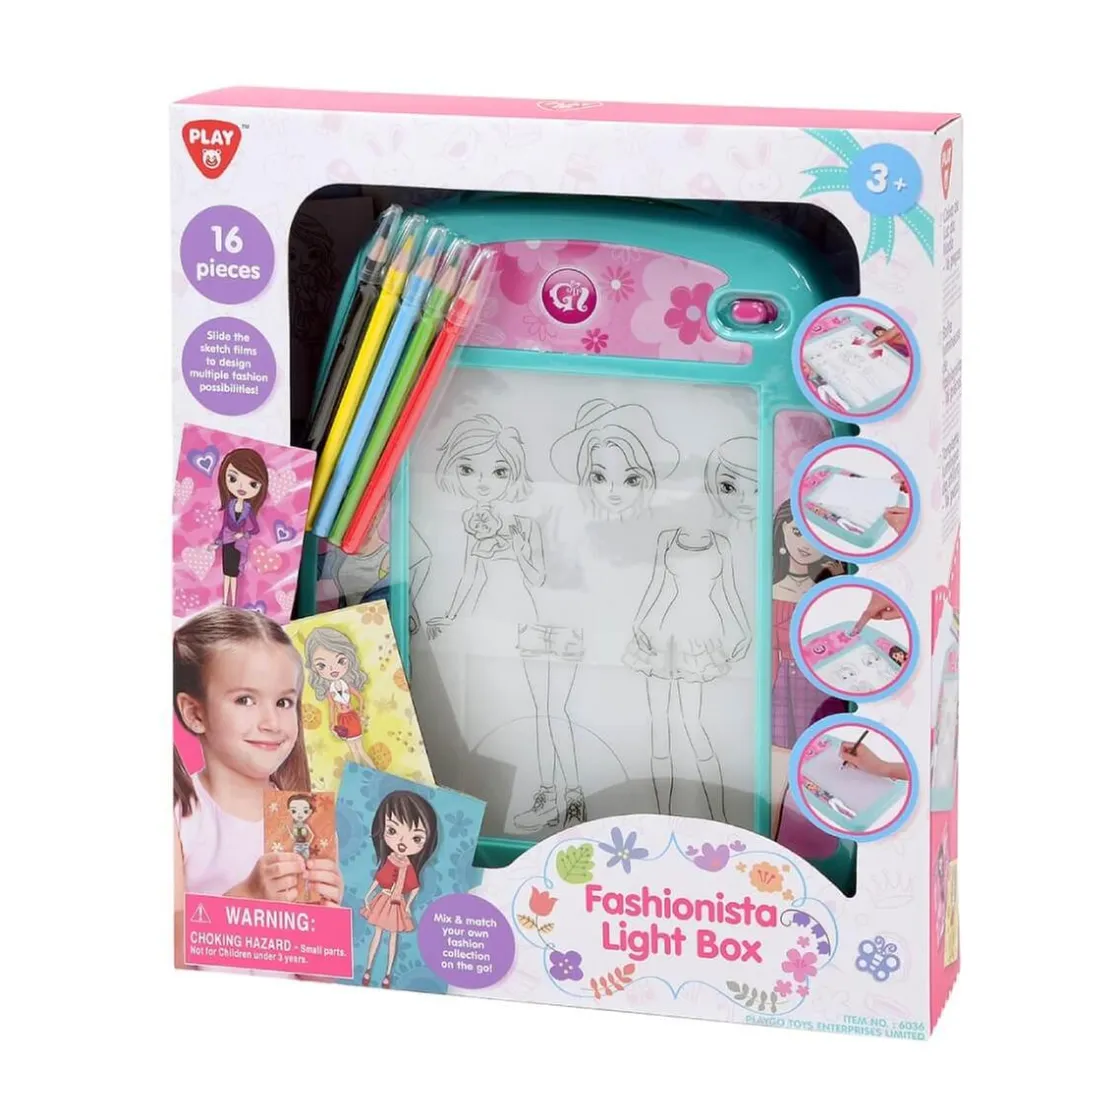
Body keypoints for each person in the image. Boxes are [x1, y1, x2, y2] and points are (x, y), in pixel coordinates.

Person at [173, 607, 343, 968]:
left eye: (284, 702)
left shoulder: (306, 818)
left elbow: (317, 973)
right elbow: (168, 953)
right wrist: (249, 897)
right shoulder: (180, 815)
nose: (272, 722)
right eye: (245, 700)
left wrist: (324, 919)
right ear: (195, 713)